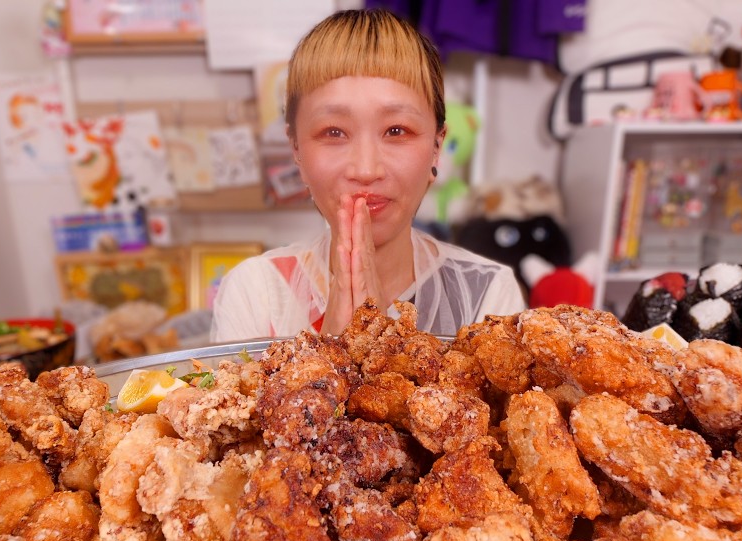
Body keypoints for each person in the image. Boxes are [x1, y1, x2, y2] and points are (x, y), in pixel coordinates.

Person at [209, 9, 526, 343]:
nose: (365, 170)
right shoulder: (256, 292)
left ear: (437, 146)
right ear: (297, 151)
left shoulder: (488, 297)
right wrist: (334, 348)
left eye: (396, 130)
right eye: (333, 132)